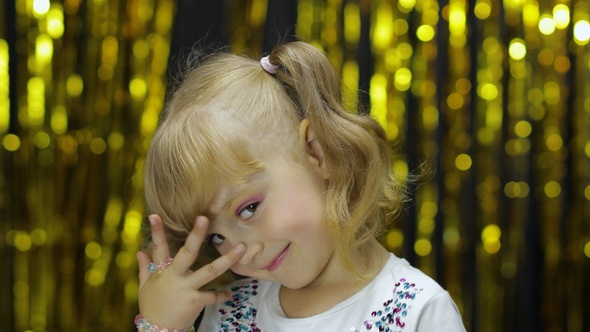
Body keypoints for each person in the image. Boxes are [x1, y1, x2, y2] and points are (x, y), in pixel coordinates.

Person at [136, 41, 466, 332]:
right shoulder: (227, 314)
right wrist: (161, 325)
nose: (242, 251)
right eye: (217, 238)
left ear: (317, 151)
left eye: (249, 209)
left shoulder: (418, 311)